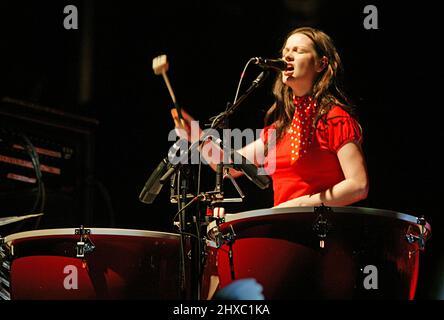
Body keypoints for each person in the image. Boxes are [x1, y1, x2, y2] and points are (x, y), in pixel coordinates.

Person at [171, 26, 368, 208]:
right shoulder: (280, 129)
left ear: (321, 64)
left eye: (298, 51)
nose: (287, 56)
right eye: (285, 51)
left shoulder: (335, 119)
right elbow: (228, 166)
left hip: (322, 233)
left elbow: (358, 185)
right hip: (284, 232)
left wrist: (296, 205)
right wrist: (196, 136)